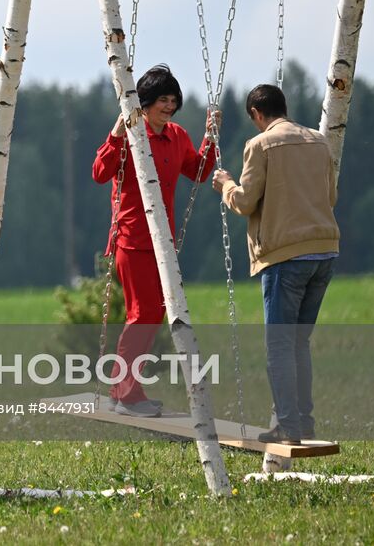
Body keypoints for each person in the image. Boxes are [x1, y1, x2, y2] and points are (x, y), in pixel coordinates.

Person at [212, 83, 340, 444]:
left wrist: (225, 184)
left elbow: (245, 202)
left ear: (256, 114)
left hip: (285, 256)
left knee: (280, 346)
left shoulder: (260, 145)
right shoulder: (319, 141)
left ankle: (288, 427)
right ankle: (304, 422)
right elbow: (331, 195)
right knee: (299, 343)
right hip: (325, 251)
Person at [92, 64, 219, 417]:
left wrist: (210, 138)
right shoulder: (133, 133)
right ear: (144, 103)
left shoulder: (176, 135)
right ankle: (125, 393)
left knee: (155, 312)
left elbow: (197, 171)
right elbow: (100, 173)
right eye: (162, 99)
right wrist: (116, 133)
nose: (169, 105)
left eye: (173, 99)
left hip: (163, 240)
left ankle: (126, 390)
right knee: (142, 313)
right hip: (131, 239)